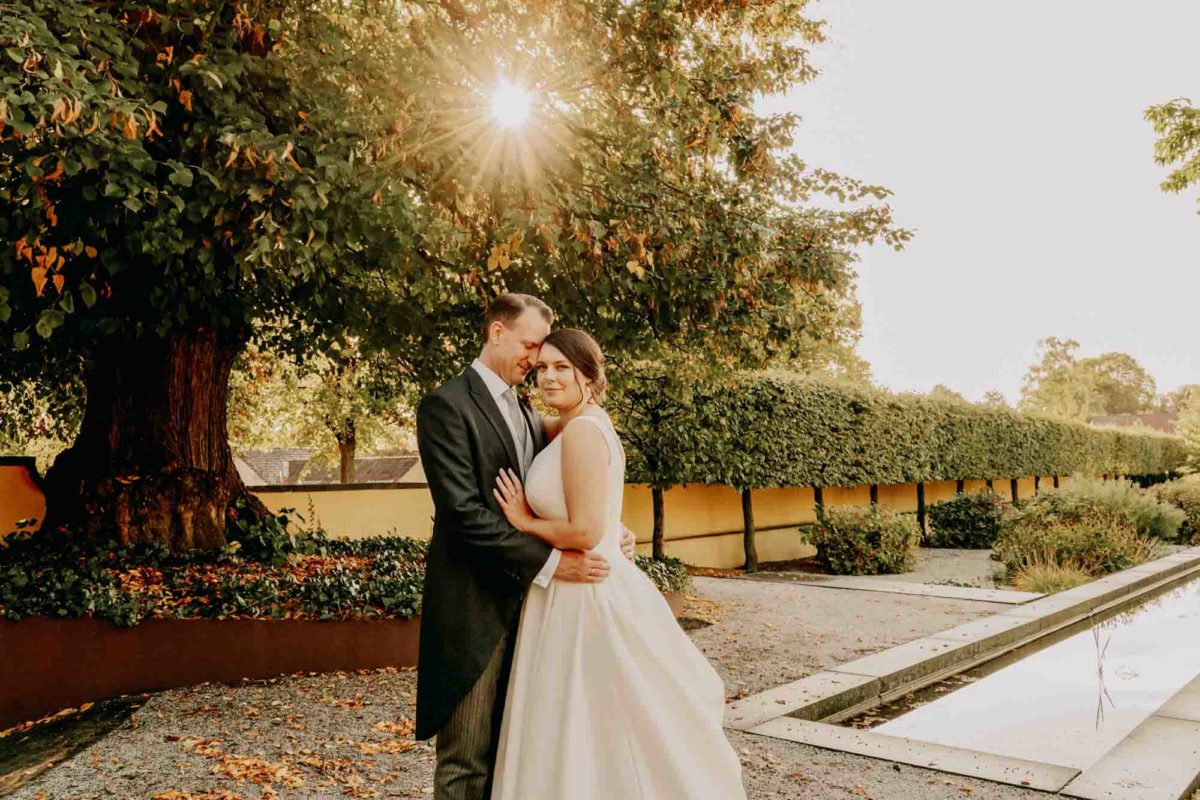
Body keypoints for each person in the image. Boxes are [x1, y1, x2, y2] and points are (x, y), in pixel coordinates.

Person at [490, 328, 747, 799]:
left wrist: (524, 521)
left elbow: (585, 532)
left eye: (561, 367)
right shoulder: (576, 423)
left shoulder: (584, 431)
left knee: (589, 721)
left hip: (585, 594)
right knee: (585, 723)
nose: (548, 376)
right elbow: (597, 513)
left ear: (588, 373)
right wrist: (615, 527)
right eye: (542, 367)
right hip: (568, 591)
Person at [414, 294, 637, 800]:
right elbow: (464, 516)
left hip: (536, 613)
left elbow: (574, 474)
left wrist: (608, 526)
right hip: (475, 607)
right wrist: (554, 562)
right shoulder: (446, 406)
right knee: (466, 760)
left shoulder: (526, 408)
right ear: (496, 332)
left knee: (517, 751)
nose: (537, 362)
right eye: (531, 347)